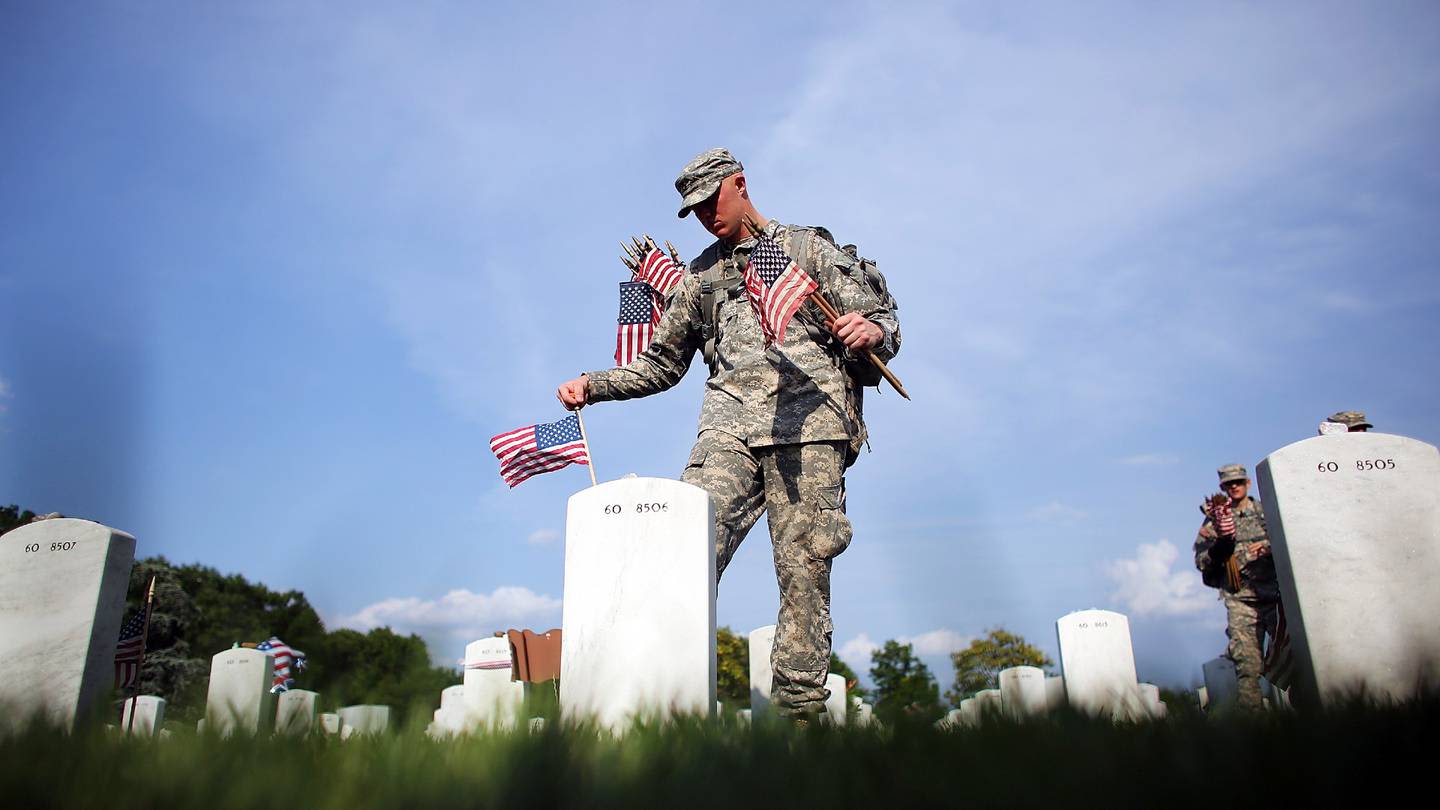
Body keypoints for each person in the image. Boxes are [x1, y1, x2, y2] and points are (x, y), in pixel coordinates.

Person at [556, 147, 900, 718]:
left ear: (740, 184)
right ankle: (658, 705)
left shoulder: (804, 249)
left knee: (804, 569)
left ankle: (800, 718)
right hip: (729, 429)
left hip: (809, 428)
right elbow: (661, 364)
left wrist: (872, 330)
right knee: (683, 552)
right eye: (693, 211)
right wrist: (595, 384)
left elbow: (878, 318)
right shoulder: (699, 277)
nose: (705, 217)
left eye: (712, 201)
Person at [1193, 464, 1280, 711]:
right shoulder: (1215, 520)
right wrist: (1218, 551)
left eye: (1238, 482)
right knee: (1247, 665)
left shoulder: (1266, 512)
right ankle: (1254, 725)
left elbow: (1288, 541)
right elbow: (1201, 560)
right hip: (1240, 600)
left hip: (1275, 597)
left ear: (1248, 483)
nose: (1234, 487)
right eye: (1229, 484)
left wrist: (1268, 548)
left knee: (1291, 657)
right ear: (1222, 488)